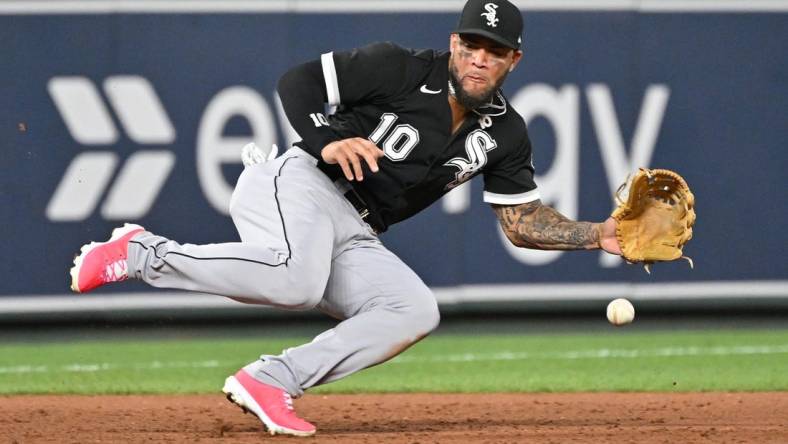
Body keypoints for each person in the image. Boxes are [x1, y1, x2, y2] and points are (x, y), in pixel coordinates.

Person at [69, 0, 621, 437]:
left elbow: (521, 221)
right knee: (295, 281)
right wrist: (329, 140)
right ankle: (141, 253)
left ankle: (270, 380)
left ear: (513, 61)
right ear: (455, 43)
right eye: (472, 44)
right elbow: (299, 82)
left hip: (355, 229)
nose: (480, 58)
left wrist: (598, 234)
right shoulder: (400, 68)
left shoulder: (507, 132)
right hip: (299, 181)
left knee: (413, 309)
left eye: (494, 50)